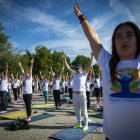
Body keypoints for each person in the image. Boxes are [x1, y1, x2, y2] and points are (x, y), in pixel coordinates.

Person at [74, 3, 140, 140]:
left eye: (129, 35)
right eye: (119, 36)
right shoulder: (107, 61)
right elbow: (93, 37)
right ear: (114, 43)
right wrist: (81, 17)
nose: (124, 39)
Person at [63, 53, 93, 131]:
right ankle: (79, 123)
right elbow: (68, 67)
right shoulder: (74, 73)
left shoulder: (84, 74)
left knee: (84, 110)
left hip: (82, 94)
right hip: (75, 94)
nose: (77, 69)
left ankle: (86, 124)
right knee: (76, 111)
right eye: (76, 68)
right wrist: (64, 59)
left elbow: (89, 66)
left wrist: (92, 57)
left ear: (81, 68)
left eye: (78, 68)